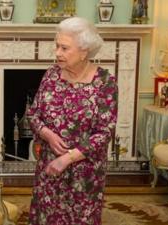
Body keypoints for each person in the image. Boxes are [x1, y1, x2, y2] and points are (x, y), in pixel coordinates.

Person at [27, 17, 118, 225]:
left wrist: (67, 159)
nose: (57, 52)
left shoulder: (105, 82)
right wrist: (47, 135)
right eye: (56, 46)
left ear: (84, 51)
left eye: (64, 48)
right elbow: (33, 114)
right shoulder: (51, 75)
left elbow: (104, 133)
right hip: (49, 167)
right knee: (46, 217)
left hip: (85, 173)